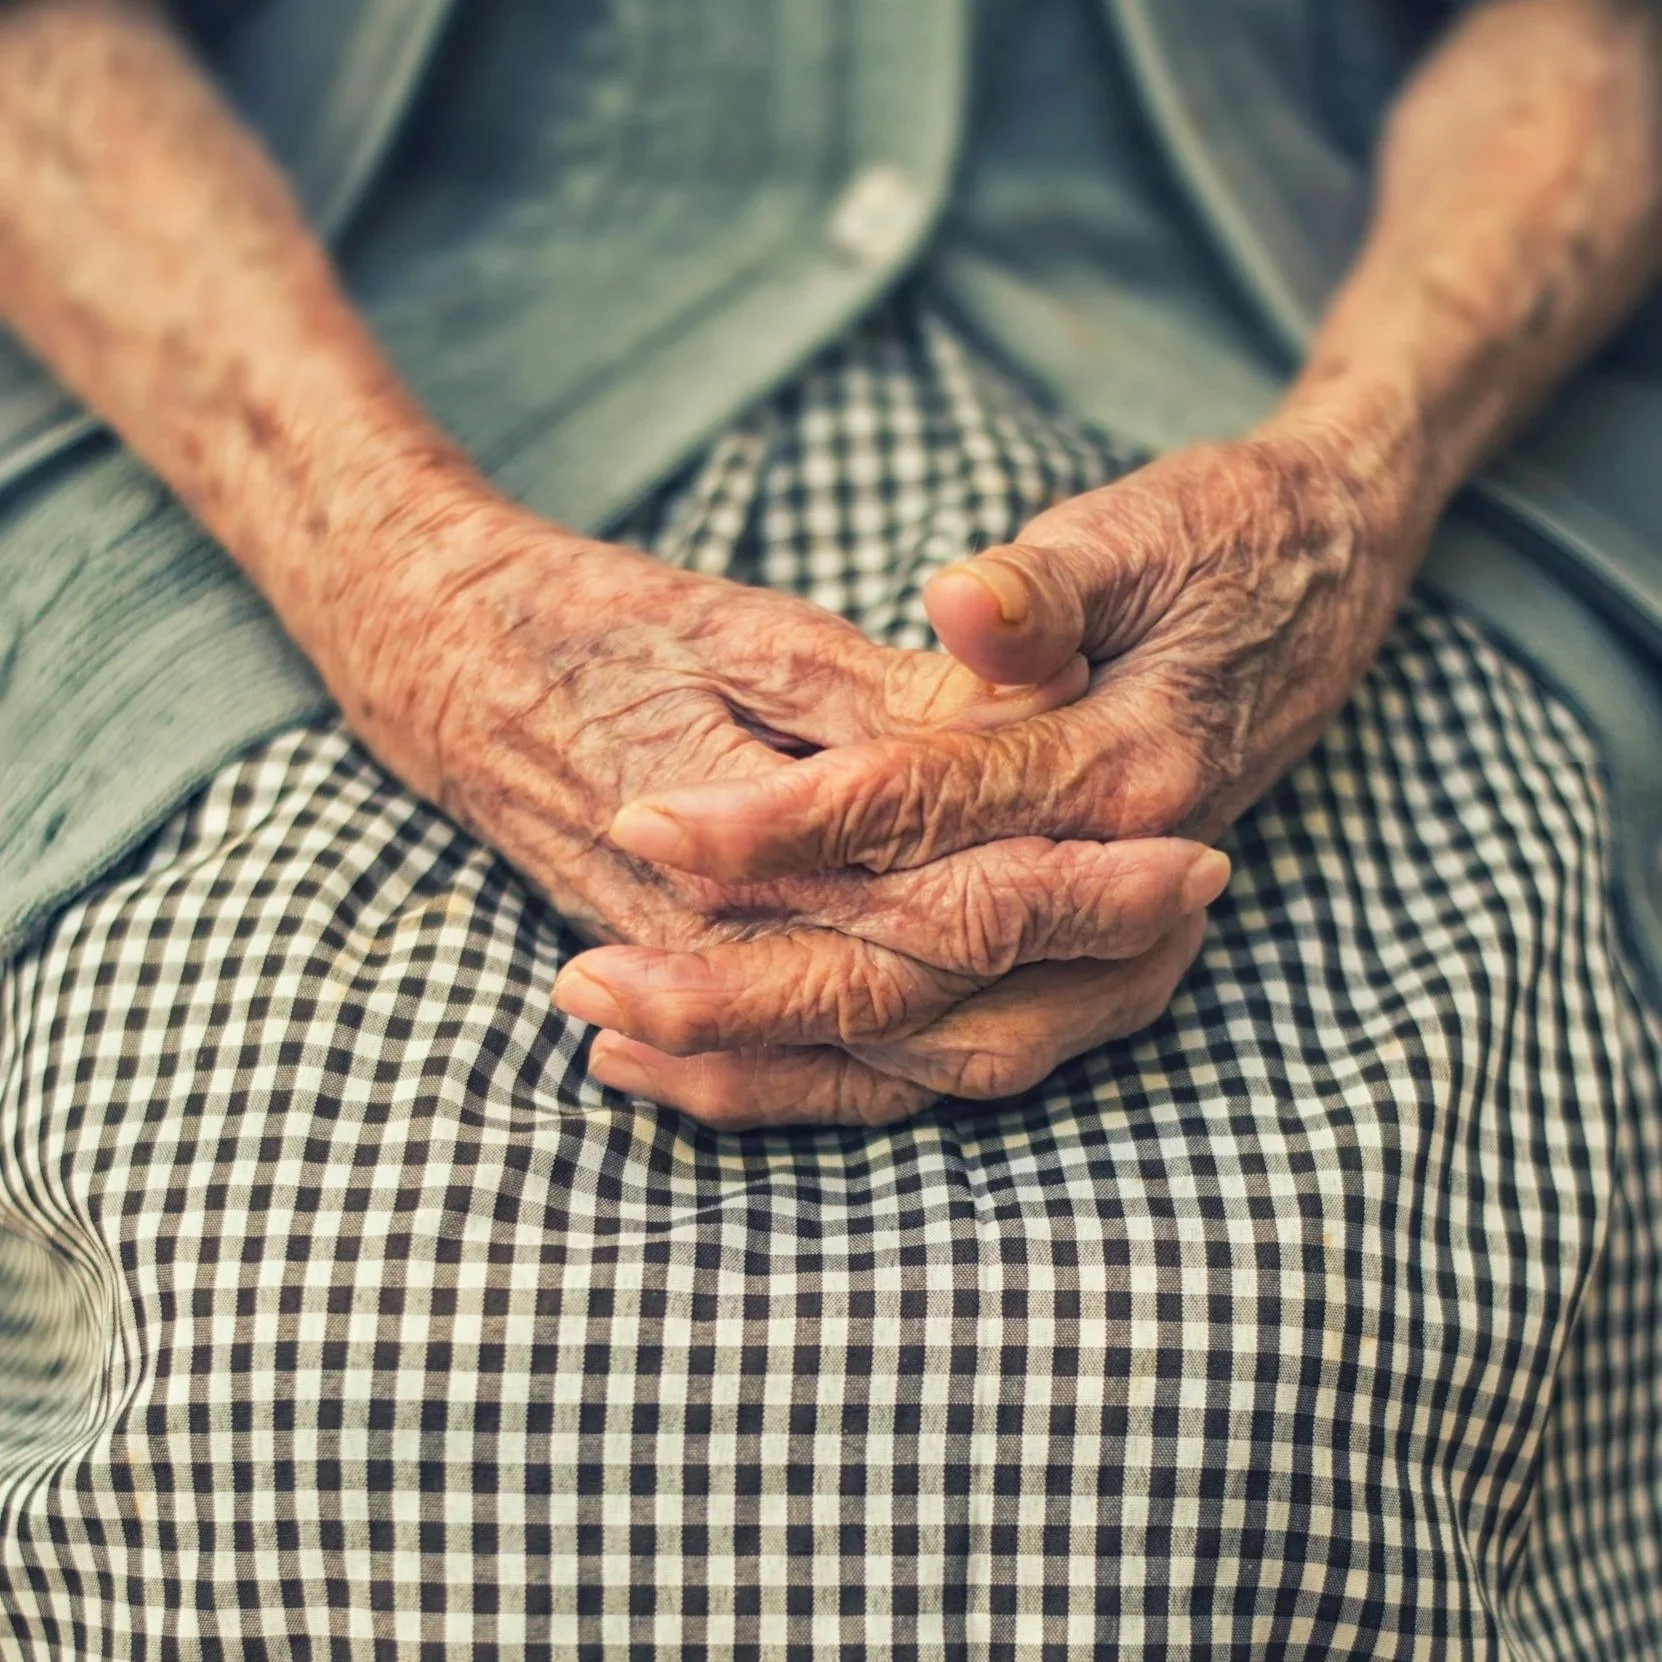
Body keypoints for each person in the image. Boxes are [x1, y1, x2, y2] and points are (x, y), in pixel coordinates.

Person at [1, 0, 1659, 1652]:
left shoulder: (1334, 501)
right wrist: (402, 579)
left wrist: (1353, 486)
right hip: (289, 427)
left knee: (1261, 1387)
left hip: (1345, 406)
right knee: (305, 1380)